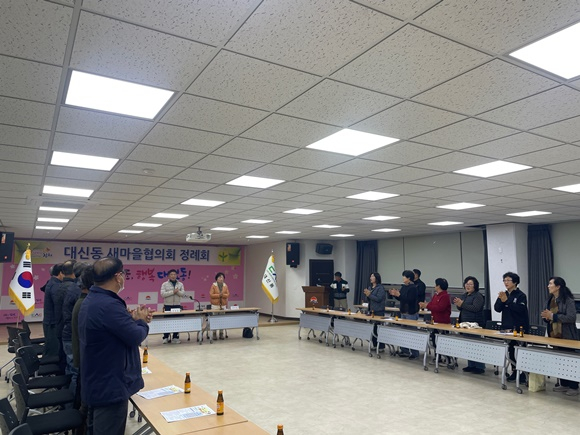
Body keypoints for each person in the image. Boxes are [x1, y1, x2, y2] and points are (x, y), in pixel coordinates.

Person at [79, 257, 152, 435]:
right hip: (109, 386)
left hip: (97, 380)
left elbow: (114, 330)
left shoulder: (93, 299)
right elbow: (135, 337)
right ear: (118, 277)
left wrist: (130, 320)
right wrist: (141, 322)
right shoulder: (109, 305)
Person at [541, 276, 579, 396]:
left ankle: (574, 386)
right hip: (554, 334)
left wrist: (553, 316)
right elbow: (548, 316)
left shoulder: (568, 300)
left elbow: (571, 317)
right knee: (560, 359)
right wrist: (547, 318)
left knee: (569, 360)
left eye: (550, 284)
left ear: (558, 286)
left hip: (567, 335)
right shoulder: (550, 299)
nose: (548, 286)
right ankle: (564, 383)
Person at [494, 271, 530, 383]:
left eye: (508, 280)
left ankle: (523, 374)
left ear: (515, 282)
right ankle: (514, 371)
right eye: (504, 280)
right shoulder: (504, 294)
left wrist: (507, 301)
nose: (506, 282)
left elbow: (520, 310)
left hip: (519, 328)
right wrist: (501, 300)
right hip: (506, 327)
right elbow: (497, 308)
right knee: (510, 351)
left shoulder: (521, 295)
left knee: (519, 351)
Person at [72, 266, 94, 434]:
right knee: (84, 403)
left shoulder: (83, 302)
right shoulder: (85, 304)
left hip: (83, 359)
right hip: (85, 362)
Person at [61, 260, 86, 395]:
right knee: (75, 372)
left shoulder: (73, 287)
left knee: (71, 370)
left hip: (68, 334)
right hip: (72, 336)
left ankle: (67, 396)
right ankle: (71, 402)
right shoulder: (78, 291)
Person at [454, 276, 485, 374]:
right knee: (468, 345)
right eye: (466, 284)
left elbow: (476, 308)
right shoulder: (464, 295)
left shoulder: (478, 296)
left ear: (475, 286)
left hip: (475, 324)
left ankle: (479, 366)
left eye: (470, 284)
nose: (468, 286)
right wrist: (459, 305)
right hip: (464, 323)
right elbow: (461, 308)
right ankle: (471, 365)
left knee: (476, 345)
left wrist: (462, 304)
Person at [420, 278, 451, 365]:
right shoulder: (436, 295)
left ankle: (447, 359)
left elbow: (440, 308)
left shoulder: (445, 296)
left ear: (439, 286)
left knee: (443, 342)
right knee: (434, 340)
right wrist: (426, 305)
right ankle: (438, 357)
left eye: (435, 284)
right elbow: (432, 305)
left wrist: (427, 305)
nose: (434, 286)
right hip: (435, 322)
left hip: (443, 323)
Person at [389, 270, 419, 359]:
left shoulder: (413, 288)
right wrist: (395, 295)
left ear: (409, 278)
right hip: (403, 312)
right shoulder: (403, 287)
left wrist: (399, 295)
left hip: (410, 313)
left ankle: (415, 353)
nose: (403, 278)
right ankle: (405, 350)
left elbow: (410, 300)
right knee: (404, 333)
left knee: (411, 333)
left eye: (404, 276)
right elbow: (401, 299)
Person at [42, 263, 63, 358]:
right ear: (61, 273)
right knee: (53, 351)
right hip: (53, 323)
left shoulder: (51, 282)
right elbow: (58, 306)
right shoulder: (55, 285)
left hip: (50, 322)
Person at [160, 269, 185, 344]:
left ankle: (175, 337)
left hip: (177, 305)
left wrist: (177, 292)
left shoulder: (180, 284)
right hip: (168, 305)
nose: (173, 276)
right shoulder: (164, 284)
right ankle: (165, 337)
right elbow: (163, 294)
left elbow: (182, 294)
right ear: (168, 276)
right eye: (171, 274)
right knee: (167, 322)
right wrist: (173, 292)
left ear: (176, 275)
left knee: (176, 322)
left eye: (174, 274)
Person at [363, 272, 386, 352]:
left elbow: (379, 299)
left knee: (378, 329)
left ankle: (381, 346)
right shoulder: (370, 287)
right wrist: (367, 295)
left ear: (376, 278)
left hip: (378, 311)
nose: (371, 278)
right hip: (371, 310)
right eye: (370, 276)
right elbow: (369, 299)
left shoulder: (380, 288)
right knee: (373, 328)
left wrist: (369, 295)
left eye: (372, 276)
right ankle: (375, 345)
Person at [210, 272, 230, 340]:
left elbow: (227, 294)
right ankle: (214, 333)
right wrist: (219, 295)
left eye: (222, 277)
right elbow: (211, 295)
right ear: (216, 278)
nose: (221, 279)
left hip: (223, 305)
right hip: (215, 306)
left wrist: (223, 295)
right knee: (215, 320)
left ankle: (221, 333)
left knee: (222, 320)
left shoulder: (225, 286)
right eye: (219, 277)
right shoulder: (213, 285)